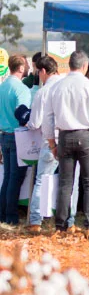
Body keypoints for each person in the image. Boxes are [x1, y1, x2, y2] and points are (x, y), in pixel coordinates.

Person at [43, 51, 89, 236]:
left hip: (64, 136)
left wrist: (51, 143)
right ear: (85, 66)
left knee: (65, 183)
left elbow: (48, 118)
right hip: (87, 136)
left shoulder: (56, 87)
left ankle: (61, 226)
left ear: (69, 65)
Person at [25, 56, 72, 232]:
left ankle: (36, 221)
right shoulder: (67, 87)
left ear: (43, 71)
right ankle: (67, 220)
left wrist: (26, 122)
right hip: (70, 139)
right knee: (67, 182)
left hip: (49, 141)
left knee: (41, 180)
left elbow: (35, 122)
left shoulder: (43, 92)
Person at [0, 54, 32, 224]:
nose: (28, 68)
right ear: (20, 68)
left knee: (7, 177)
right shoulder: (21, 89)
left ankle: (3, 214)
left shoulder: (2, 86)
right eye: (26, 65)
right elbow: (23, 114)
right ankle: (11, 217)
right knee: (15, 178)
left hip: (4, 135)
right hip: (18, 136)